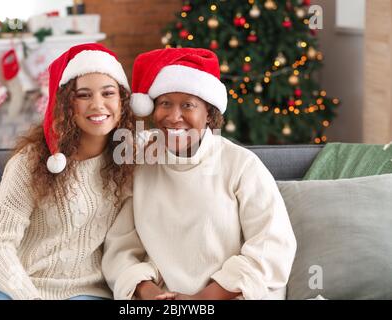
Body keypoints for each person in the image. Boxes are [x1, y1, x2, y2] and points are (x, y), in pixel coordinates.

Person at [102, 47, 297, 300]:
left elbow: (272, 247)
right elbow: (121, 248)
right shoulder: (141, 164)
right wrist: (149, 293)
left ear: (209, 114)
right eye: (165, 104)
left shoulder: (241, 165)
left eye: (188, 105)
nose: (174, 117)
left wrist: (201, 300)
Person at [0, 43, 134, 300]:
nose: (98, 105)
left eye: (108, 93)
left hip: (85, 292)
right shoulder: (31, 162)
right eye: (83, 95)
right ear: (66, 105)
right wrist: (28, 297)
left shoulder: (130, 162)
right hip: (14, 285)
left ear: (122, 103)